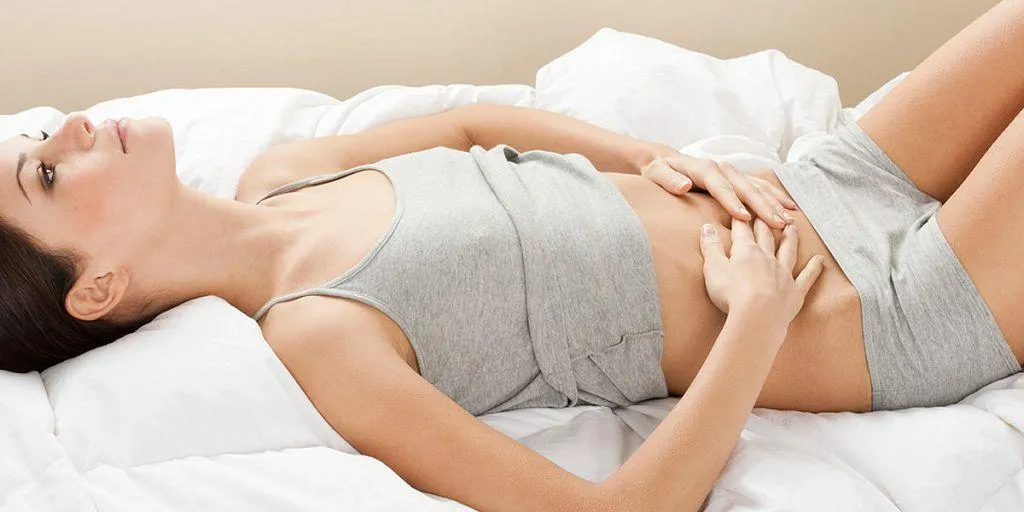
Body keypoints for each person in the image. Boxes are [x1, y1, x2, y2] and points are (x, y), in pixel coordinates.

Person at [3, 0, 1024, 509]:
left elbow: (471, 126)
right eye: (45, 174)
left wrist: (655, 158)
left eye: (40, 138)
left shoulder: (285, 171)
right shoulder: (319, 336)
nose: (73, 129)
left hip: (822, 181)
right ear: (98, 287)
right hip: (883, 311)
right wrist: (752, 323)